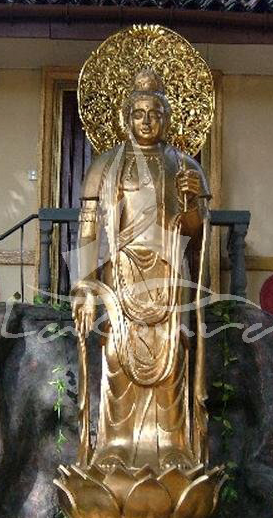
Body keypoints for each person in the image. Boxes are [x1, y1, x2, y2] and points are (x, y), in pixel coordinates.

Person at [72, 68, 211, 473]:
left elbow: (195, 235)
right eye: (138, 113)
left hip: (168, 274)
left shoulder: (184, 166)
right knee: (117, 354)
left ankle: (172, 445)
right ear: (125, 118)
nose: (146, 121)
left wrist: (191, 204)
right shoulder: (104, 166)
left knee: (172, 358)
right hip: (121, 272)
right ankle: (114, 444)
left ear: (167, 119)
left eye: (155, 113)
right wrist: (84, 285)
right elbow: (88, 229)